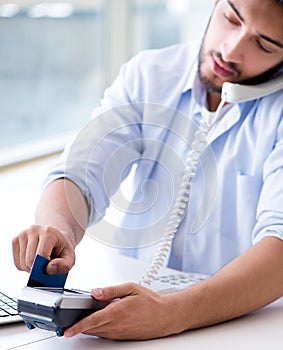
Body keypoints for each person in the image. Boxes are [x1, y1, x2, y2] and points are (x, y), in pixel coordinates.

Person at [12, 0, 283, 340]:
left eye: (264, 44)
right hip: (123, 314)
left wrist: (173, 314)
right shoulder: (151, 74)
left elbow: (280, 247)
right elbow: (79, 171)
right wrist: (59, 229)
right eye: (230, 18)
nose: (230, 51)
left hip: (241, 327)